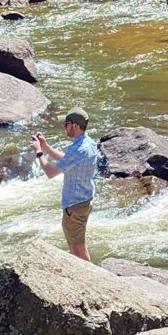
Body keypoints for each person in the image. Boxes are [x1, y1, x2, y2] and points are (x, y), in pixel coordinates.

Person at [32, 109, 102, 261]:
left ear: (75, 126)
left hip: (75, 206)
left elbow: (50, 173)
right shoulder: (88, 143)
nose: (64, 127)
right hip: (83, 201)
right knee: (77, 246)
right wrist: (46, 147)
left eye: (66, 124)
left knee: (78, 248)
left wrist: (39, 152)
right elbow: (68, 160)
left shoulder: (78, 148)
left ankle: (88, 279)